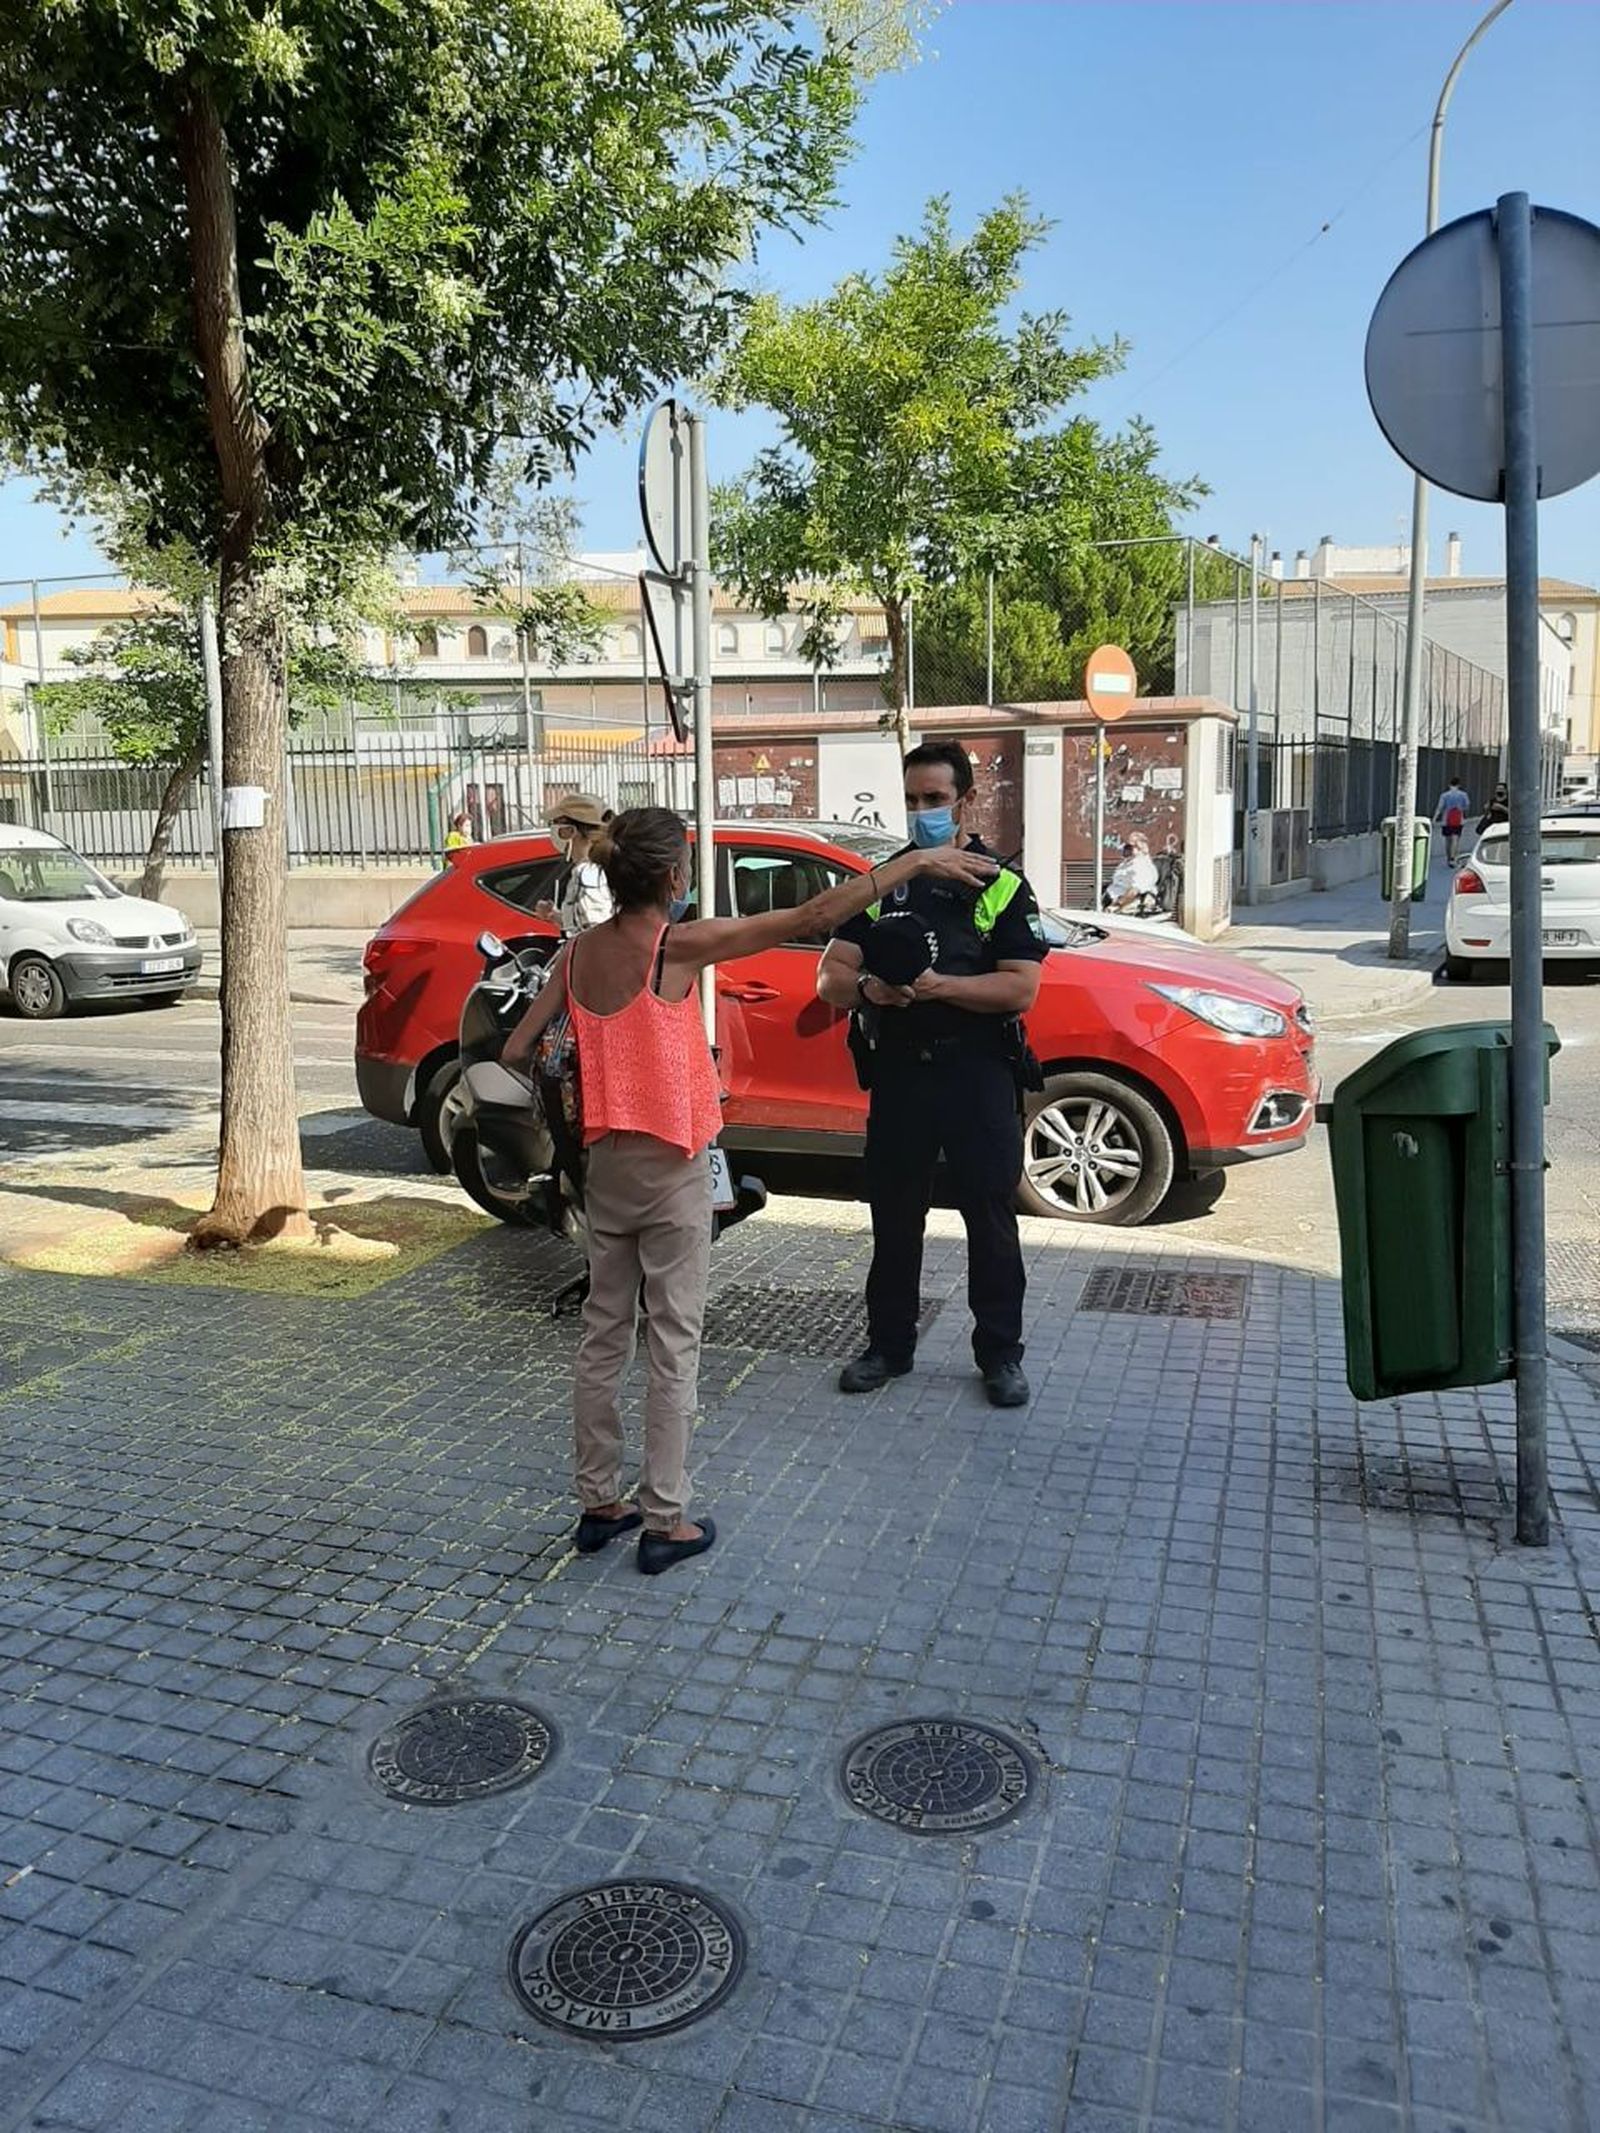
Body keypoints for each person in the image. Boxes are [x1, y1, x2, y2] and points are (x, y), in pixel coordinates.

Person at [502, 806, 995, 1574]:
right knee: (671, 1340)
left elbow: (517, 1046)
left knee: (603, 1335)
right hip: (671, 1168)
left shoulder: (573, 956)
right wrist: (913, 865)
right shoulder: (677, 947)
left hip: (603, 1166)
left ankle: (599, 1502)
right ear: (671, 875)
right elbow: (817, 912)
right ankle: (665, 1517)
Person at [817, 741, 1049, 1410]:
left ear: (967, 800)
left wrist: (939, 985)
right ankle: (889, 1346)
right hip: (900, 1077)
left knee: (990, 1217)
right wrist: (868, 989)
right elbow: (828, 975)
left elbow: (1021, 988)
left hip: (976, 1072)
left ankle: (1000, 1354)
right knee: (894, 1219)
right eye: (913, 800)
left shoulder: (1000, 883)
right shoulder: (886, 880)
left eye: (936, 800)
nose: (923, 812)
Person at [535, 793, 615, 935]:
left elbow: (595, 931)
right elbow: (585, 922)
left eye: (554, 823)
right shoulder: (597, 868)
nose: (552, 829)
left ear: (569, 831)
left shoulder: (587, 874)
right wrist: (554, 916)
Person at [1104, 832, 1159, 913]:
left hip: (1125, 905)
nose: (1124, 849)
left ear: (1140, 848)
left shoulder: (1142, 866)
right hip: (1111, 899)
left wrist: (1116, 905)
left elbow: (1134, 891)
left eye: (1128, 847)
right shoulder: (1128, 863)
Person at [1435, 774, 1472, 866]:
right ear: (1459, 785)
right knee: (1456, 838)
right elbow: (1467, 806)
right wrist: (1461, 809)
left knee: (1448, 840)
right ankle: (1453, 857)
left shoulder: (1444, 795)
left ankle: (1448, 858)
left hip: (1446, 820)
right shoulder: (1463, 794)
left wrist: (1435, 818)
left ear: (1449, 785)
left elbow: (1440, 807)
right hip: (1459, 819)